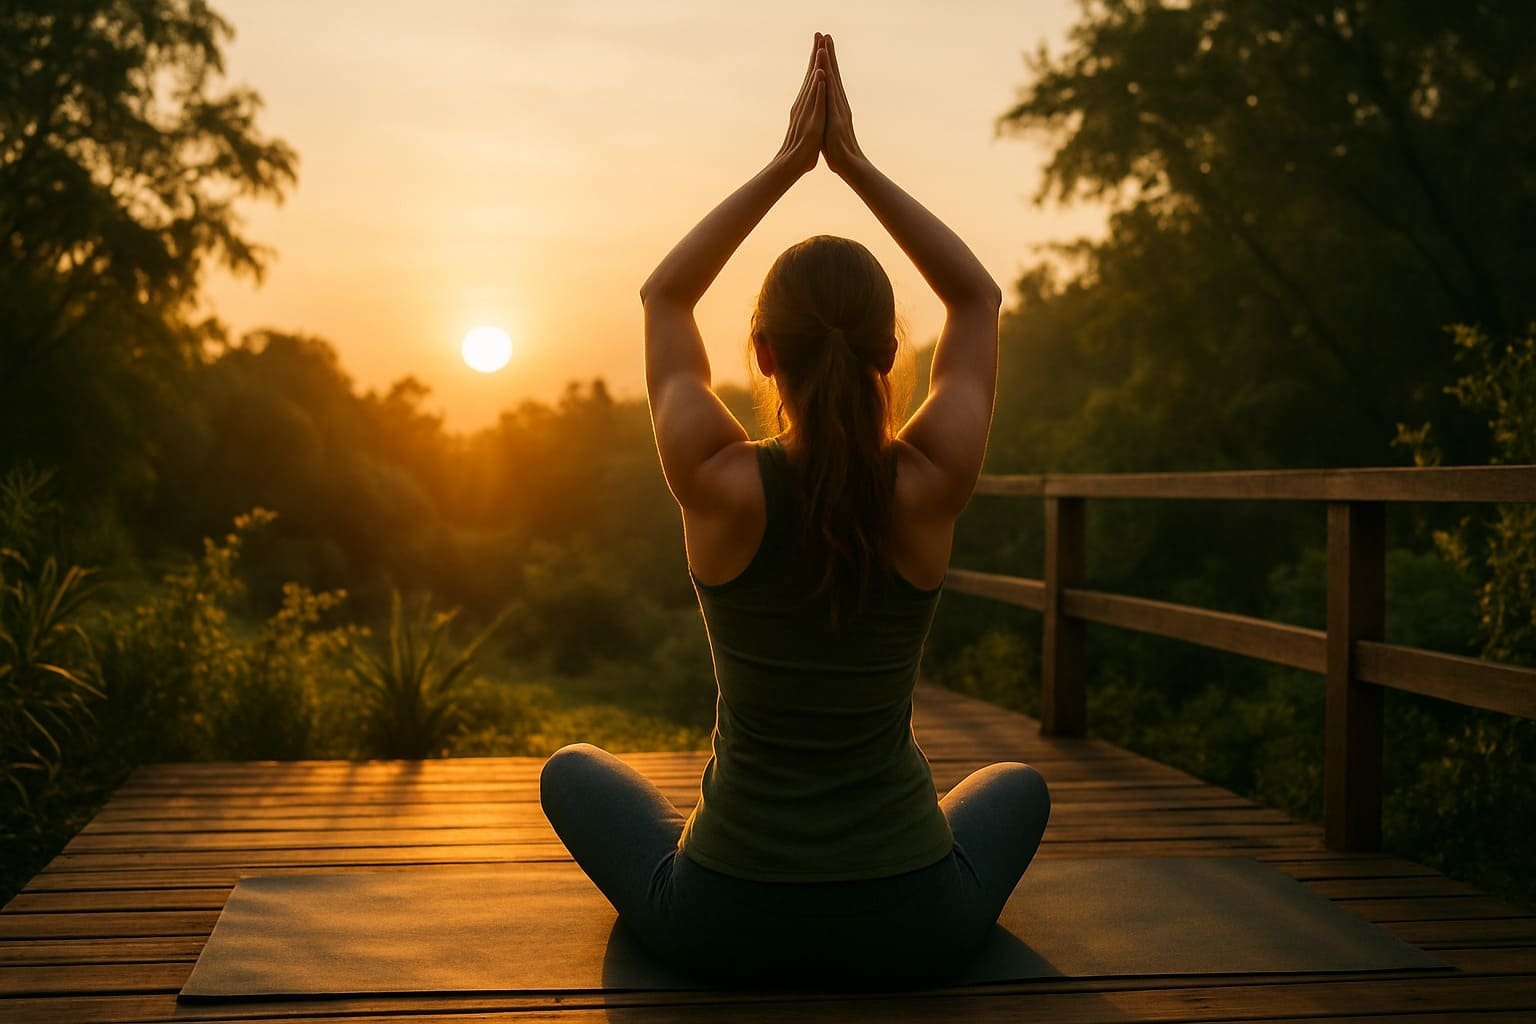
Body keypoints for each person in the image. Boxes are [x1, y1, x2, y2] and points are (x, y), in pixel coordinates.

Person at [539, 31, 1050, 990]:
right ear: (887, 356)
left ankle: (706, 853)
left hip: (724, 919)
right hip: (914, 921)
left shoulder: (721, 482)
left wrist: (788, 163)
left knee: (570, 768)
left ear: (764, 356)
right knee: (1017, 785)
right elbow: (977, 300)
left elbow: (665, 295)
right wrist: (854, 165)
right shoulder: (930, 481)